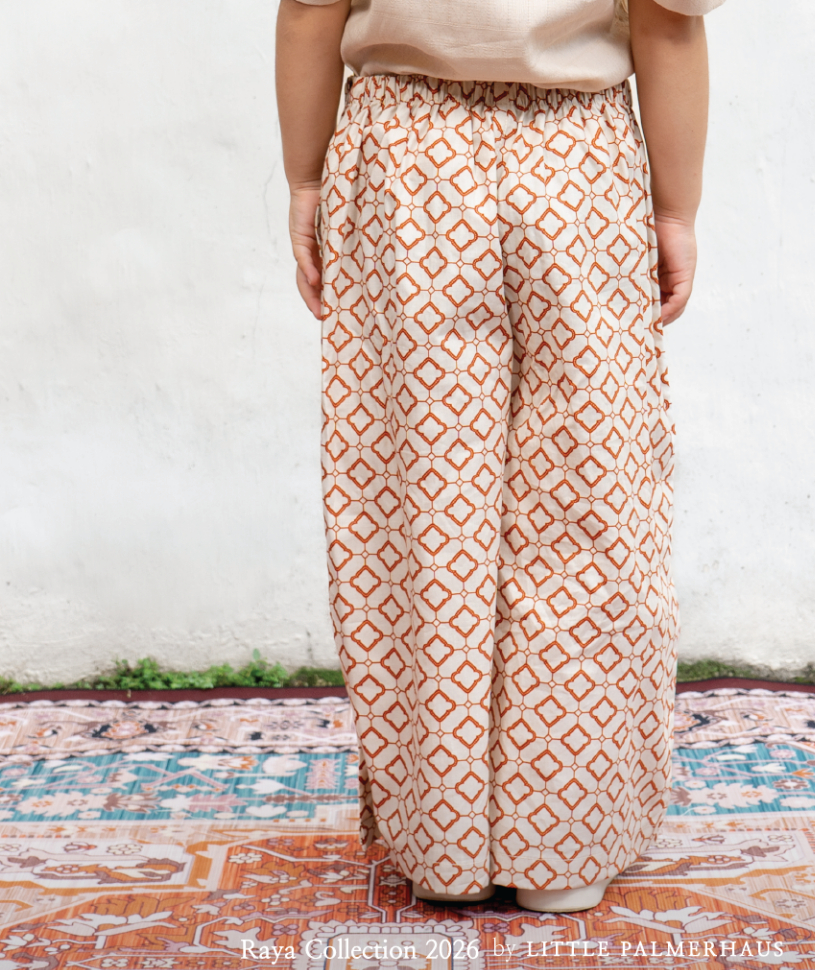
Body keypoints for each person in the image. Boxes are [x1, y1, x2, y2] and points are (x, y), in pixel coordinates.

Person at [276, 0, 722, 913]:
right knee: (589, 496)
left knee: (423, 493)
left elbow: (313, 6)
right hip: (576, 159)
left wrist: (305, 181)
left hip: (405, 155)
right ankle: (564, 844)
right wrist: (675, 208)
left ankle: (444, 842)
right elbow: (668, 20)